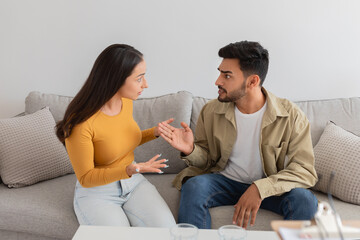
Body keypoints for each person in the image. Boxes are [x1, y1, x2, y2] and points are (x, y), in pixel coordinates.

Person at [158, 41, 318, 229]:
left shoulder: (291, 115)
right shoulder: (211, 111)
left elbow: (305, 170)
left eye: (227, 75)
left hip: (270, 188)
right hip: (225, 182)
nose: (218, 81)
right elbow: (207, 160)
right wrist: (191, 149)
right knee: (194, 186)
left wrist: (260, 188)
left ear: (252, 81)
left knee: (304, 200)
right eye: (220, 72)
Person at [56, 44, 176, 227]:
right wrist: (129, 170)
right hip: (97, 192)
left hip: (134, 183)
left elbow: (122, 140)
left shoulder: (126, 102)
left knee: (168, 231)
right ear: (116, 79)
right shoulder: (81, 123)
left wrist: (155, 132)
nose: (146, 84)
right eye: (139, 78)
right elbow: (86, 177)